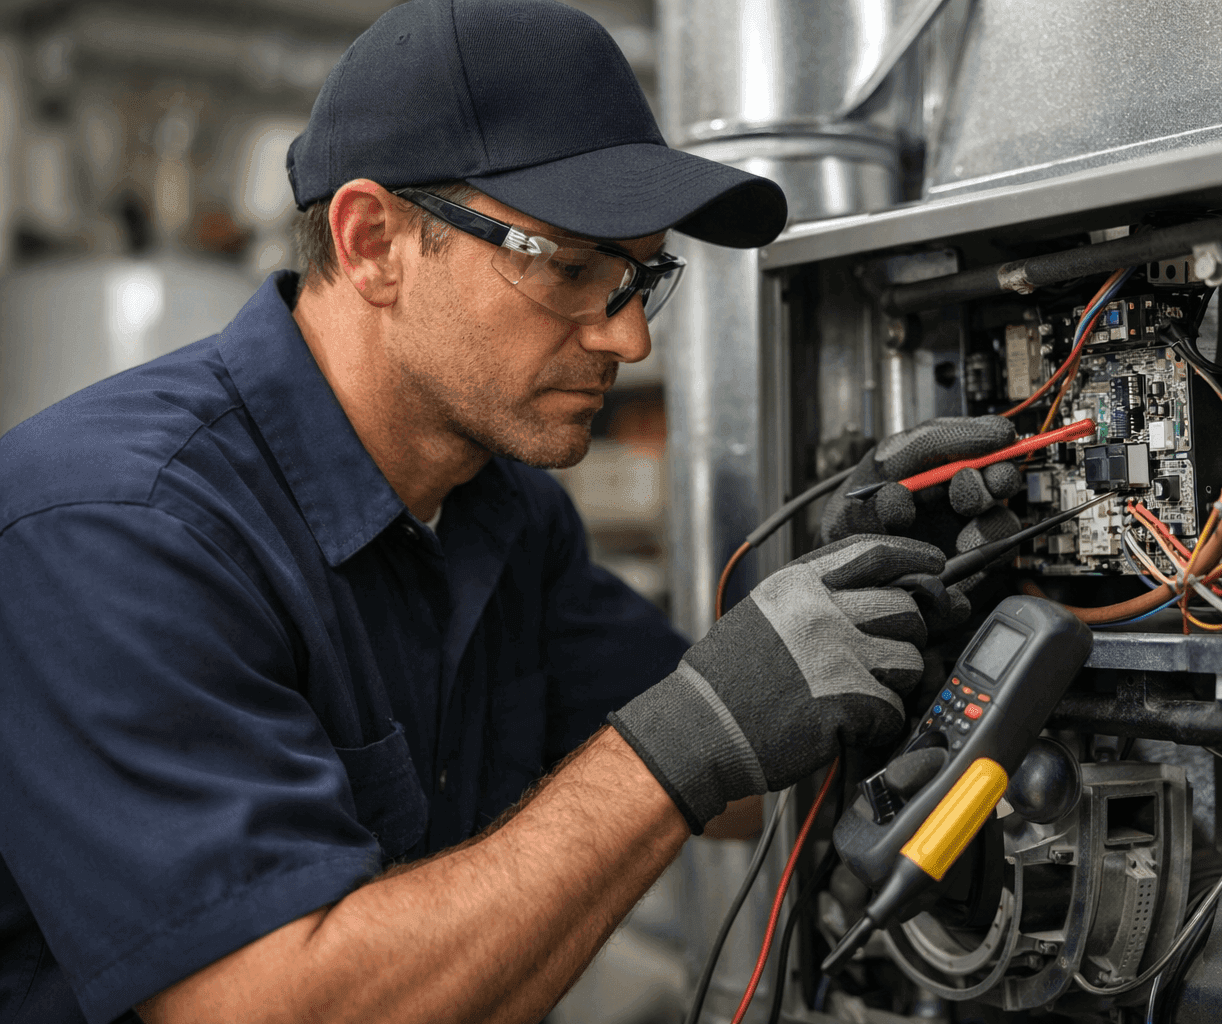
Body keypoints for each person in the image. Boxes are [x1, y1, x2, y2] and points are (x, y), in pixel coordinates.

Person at [0, 2, 1012, 1022]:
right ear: (372, 243)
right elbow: (278, 1004)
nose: (630, 342)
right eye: (571, 270)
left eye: (639, 279)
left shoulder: (502, 516)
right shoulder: (115, 526)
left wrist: (871, 597)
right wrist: (693, 731)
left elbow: (743, 777)